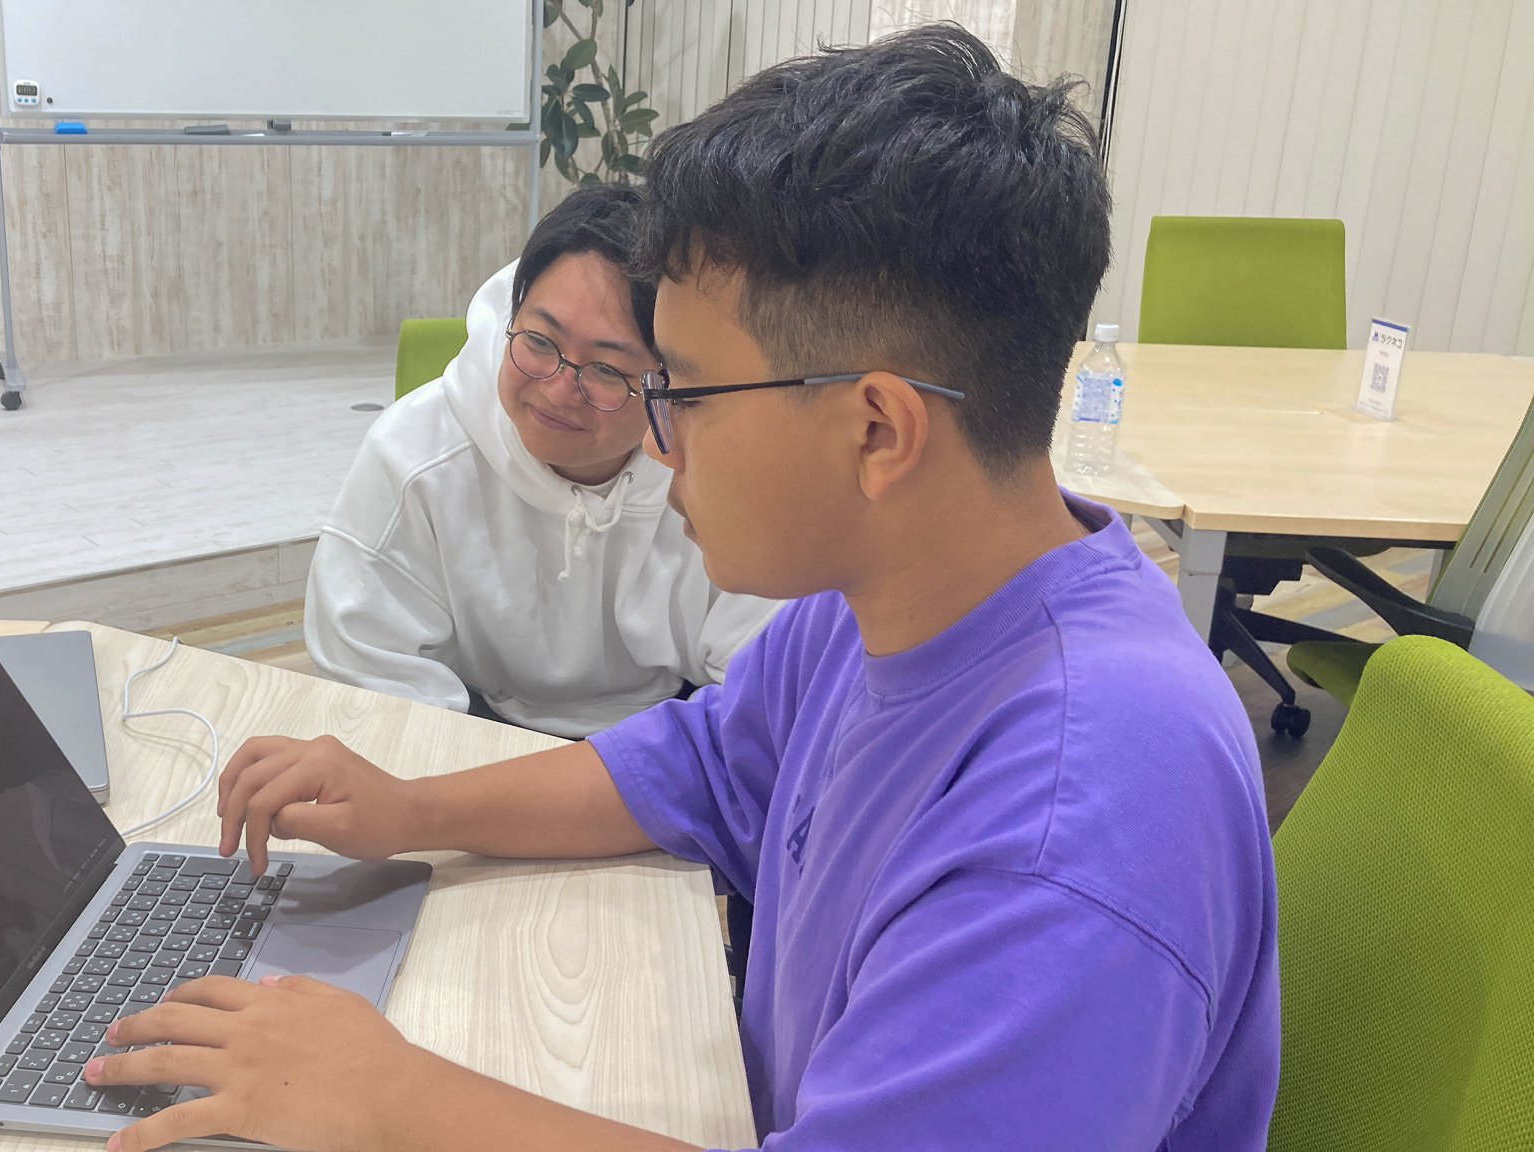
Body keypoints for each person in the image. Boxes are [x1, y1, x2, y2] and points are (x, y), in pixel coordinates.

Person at [83, 26, 1280, 1152]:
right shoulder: (879, 603)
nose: (655, 445)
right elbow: (702, 764)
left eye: (682, 392)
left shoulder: (1069, 833)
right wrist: (413, 810)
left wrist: (389, 1097)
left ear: (876, 430)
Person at [303, 183, 781, 738]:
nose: (557, 390)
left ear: (669, 384)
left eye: (607, 370)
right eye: (538, 341)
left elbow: (765, 685)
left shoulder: (712, 463)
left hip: (676, 726)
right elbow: (369, 672)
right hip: (471, 722)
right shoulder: (416, 455)